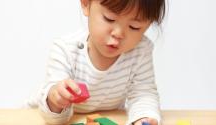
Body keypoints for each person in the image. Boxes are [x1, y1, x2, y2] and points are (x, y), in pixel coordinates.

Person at [28, 0, 165, 125]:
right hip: (36, 116)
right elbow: (52, 118)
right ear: (86, 4)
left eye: (134, 27)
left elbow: (143, 94)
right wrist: (56, 100)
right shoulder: (66, 50)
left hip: (105, 118)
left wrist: (144, 117)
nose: (118, 33)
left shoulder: (140, 51)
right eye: (109, 19)